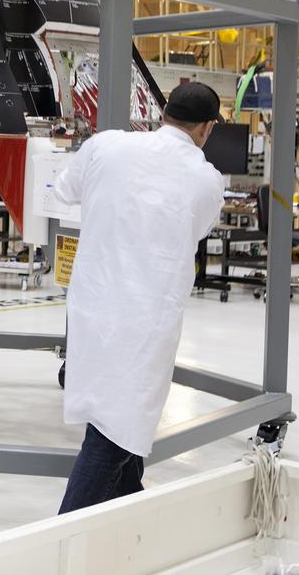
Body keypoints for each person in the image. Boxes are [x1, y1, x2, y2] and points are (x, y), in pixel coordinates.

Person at [52, 82, 225, 514]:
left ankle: (132, 521)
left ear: (164, 113)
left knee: (118, 424)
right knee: (113, 436)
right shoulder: (205, 177)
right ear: (206, 128)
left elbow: (64, 190)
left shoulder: (107, 145)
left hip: (92, 309)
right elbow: (198, 228)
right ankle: (61, 539)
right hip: (144, 323)